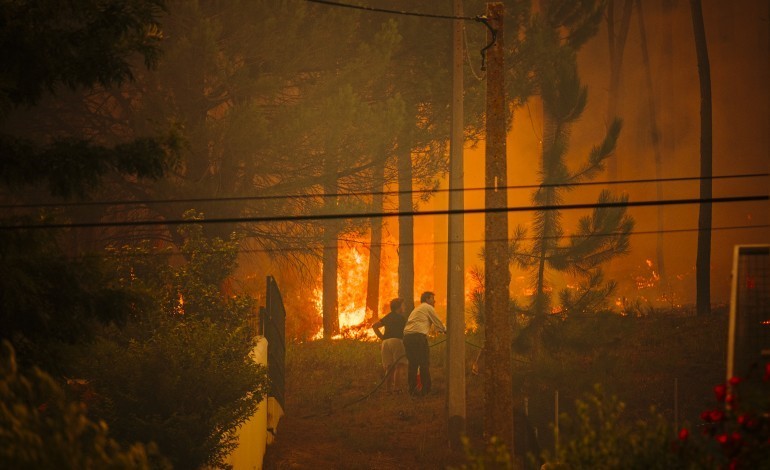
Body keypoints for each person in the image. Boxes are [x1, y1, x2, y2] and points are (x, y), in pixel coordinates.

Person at [402, 291, 446, 396]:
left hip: (407, 337)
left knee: (413, 364)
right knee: (424, 363)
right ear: (427, 299)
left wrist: (440, 330)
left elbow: (432, 326)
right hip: (418, 338)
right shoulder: (427, 307)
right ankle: (426, 390)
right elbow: (438, 323)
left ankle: (412, 390)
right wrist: (446, 330)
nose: (434, 301)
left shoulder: (417, 309)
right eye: (432, 298)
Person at [371, 298, 408, 393]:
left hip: (385, 343)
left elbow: (374, 326)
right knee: (399, 366)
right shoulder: (401, 318)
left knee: (389, 367)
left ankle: (388, 390)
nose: (404, 307)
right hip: (397, 341)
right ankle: (397, 389)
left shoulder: (388, 316)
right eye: (403, 305)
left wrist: (382, 337)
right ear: (398, 307)